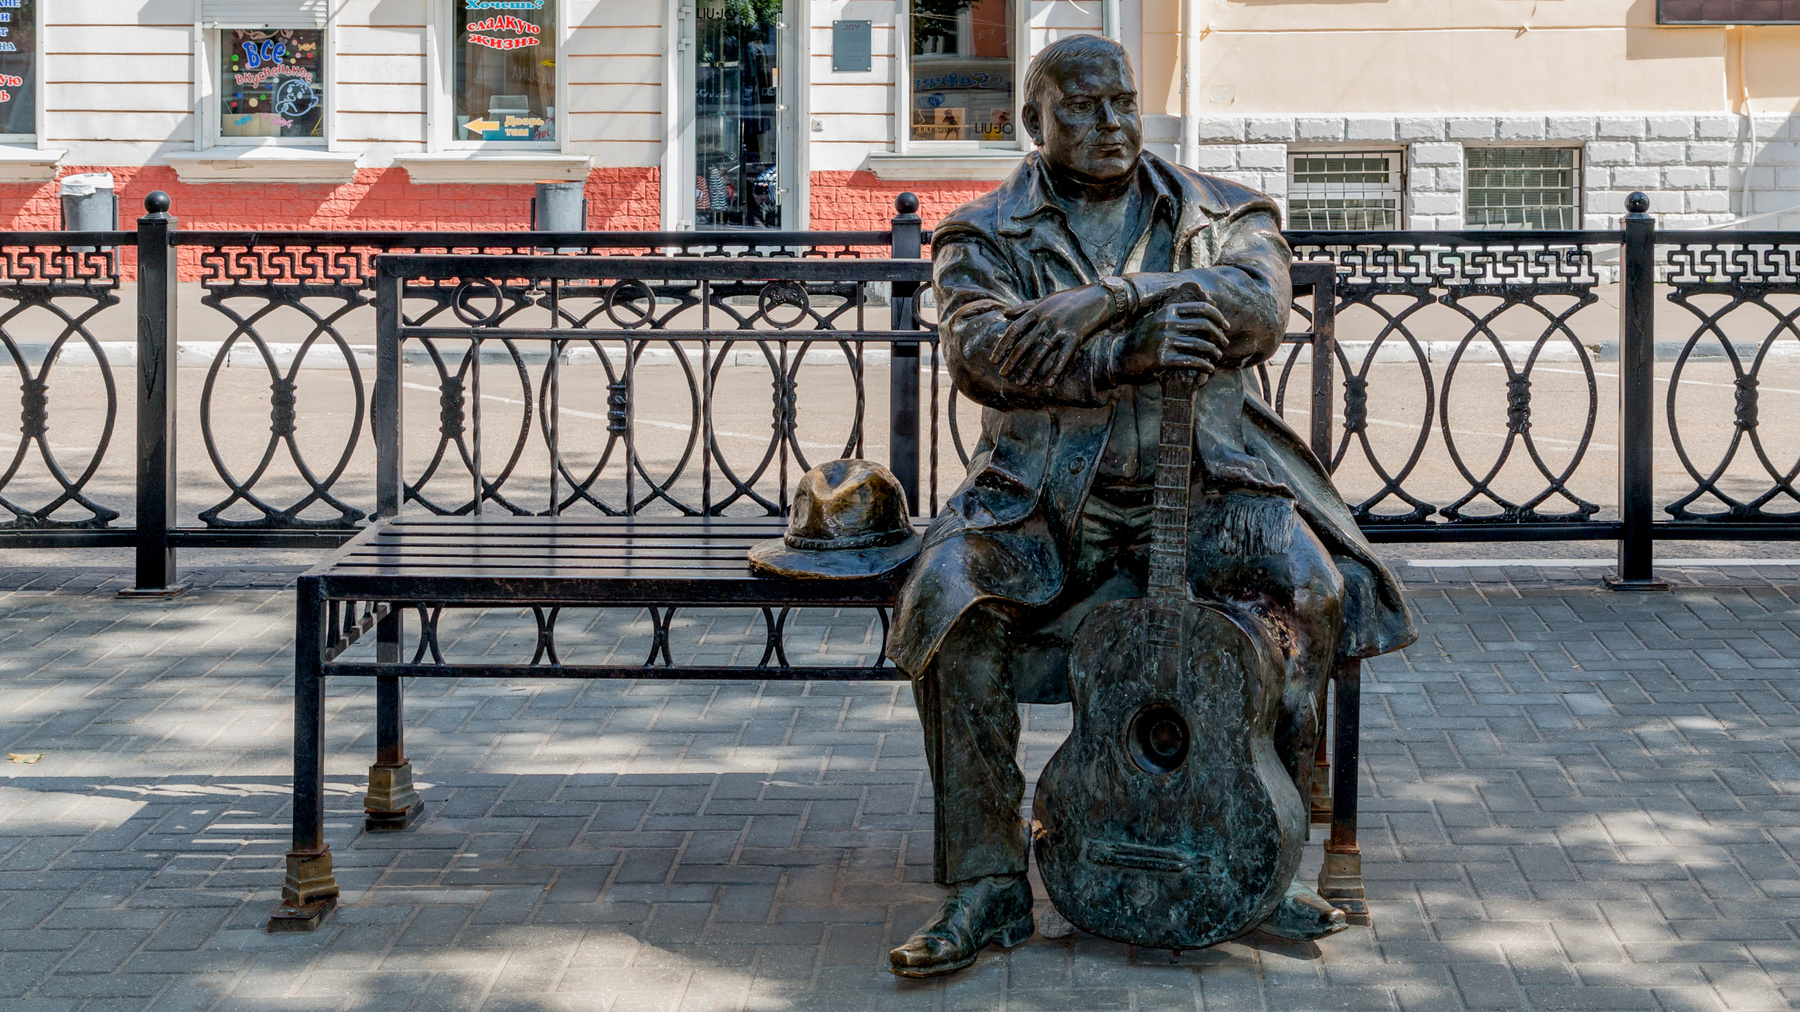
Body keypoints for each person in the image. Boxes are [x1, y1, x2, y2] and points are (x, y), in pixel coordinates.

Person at [885, 34, 1417, 978]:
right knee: (951, 598)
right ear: (1032, 122)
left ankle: (1261, 860)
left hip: (1210, 487)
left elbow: (1258, 304)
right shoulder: (984, 234)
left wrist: (1112, 297)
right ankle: (989, 884)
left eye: (1123, 103)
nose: (1110, 124)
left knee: (1308, 592)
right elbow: (984, 354)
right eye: (1082, 107)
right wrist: (1128, 350)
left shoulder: (1221, 211)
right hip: (1045, 504)